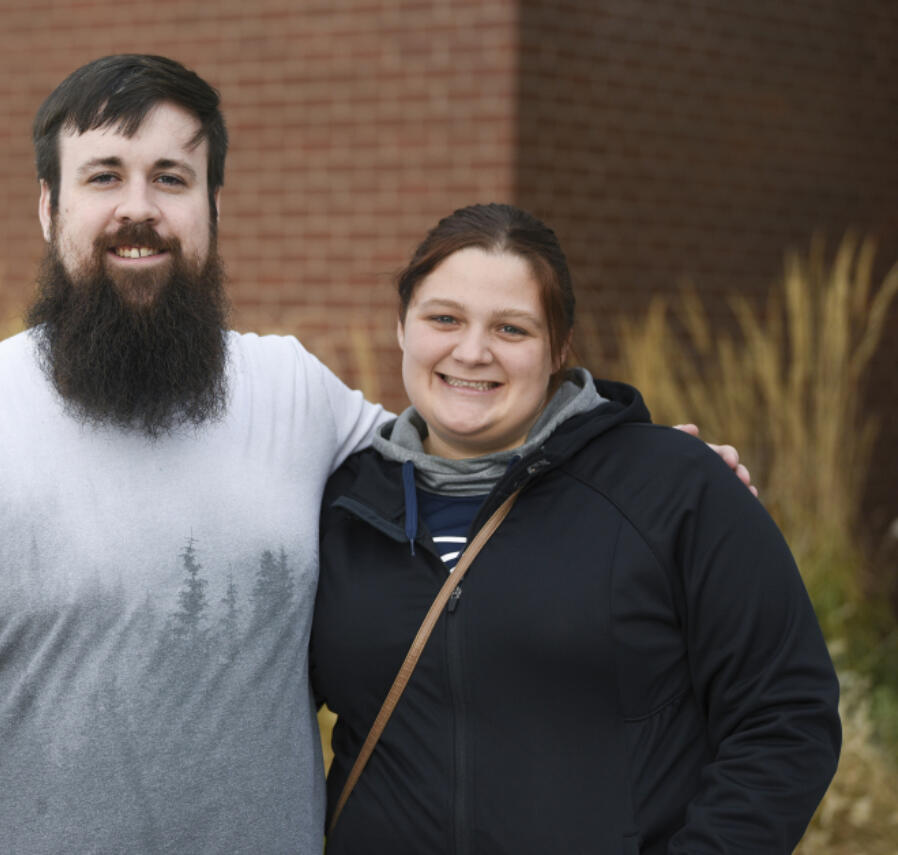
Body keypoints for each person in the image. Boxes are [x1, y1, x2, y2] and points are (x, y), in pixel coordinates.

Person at [0, 56, 754, 854]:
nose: (137, 210)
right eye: (104, 176)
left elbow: (478, 453)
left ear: (212, 206)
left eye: (171, 179)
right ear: (48, 208)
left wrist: (648, 468)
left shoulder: (291, 394)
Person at [310, 203, 841, 854]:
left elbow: (785, 712)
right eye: (444, 318)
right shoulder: (338, 504)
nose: (471, 351)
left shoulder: (673, 489)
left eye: (512, 328)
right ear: (402, 327)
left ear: (560, 347)